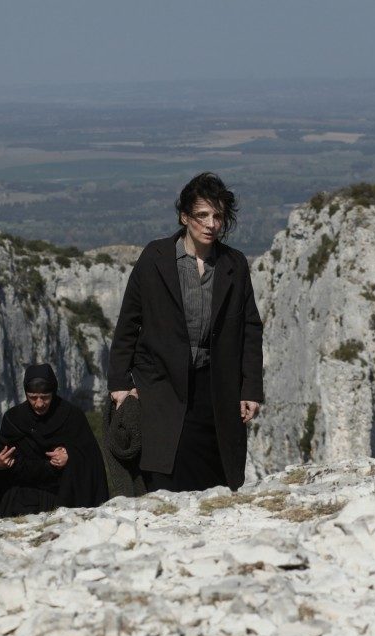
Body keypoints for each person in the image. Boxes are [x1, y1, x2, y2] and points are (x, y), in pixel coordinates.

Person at [108, 172, 264, 492]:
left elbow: (250, 327)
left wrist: (250, 388)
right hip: (162, 384)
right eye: (202, 216)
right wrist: (120, 384)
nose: (211, 224)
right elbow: (128, 324)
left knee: (217, 474)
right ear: (184, 217)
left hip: (216, 387)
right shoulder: (156, 258)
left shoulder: (233, 264)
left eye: (218, 216)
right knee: (166, 470)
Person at [0, 363, 109, 515]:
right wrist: (1, 463)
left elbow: (91, 457)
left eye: (45, 397)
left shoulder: (72, 416)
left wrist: (70, 456)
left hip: (64, 495)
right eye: (33, 397)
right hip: (22, 497)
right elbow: (6, 459)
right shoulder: (14, 419)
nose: (39, 403)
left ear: (53, 392)